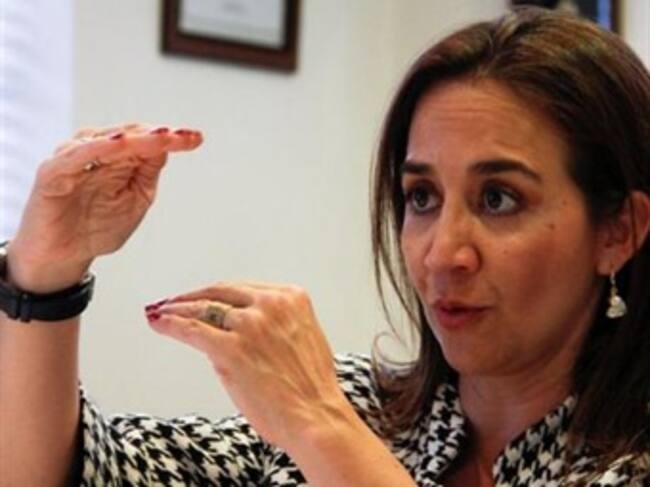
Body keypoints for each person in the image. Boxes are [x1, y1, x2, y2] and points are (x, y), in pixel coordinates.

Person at [1, 7, 648, 486]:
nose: (442, 253)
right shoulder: (364, 406)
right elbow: (63, 472)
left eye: (499, 199)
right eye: (422, 197)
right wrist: (43, 277)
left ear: (619, 230)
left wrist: (316, 419)